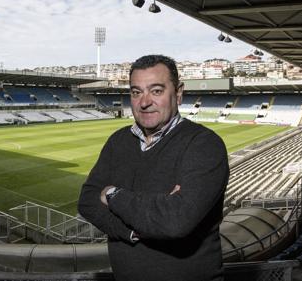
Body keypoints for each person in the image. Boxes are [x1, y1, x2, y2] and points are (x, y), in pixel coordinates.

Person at [78, 54, 229, 281]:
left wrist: (111, 194)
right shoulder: (117, 141)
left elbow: (175, 221)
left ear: (178, 94)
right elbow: (87, 200)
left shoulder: (205, 144)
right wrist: (132, 230)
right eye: (136, 92)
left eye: (156, 91)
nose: (144, 101)